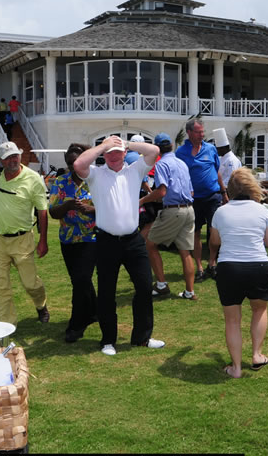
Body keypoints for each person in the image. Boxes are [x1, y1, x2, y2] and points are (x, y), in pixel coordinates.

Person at [73, 135, 164, 356]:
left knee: (144, 287)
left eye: (117, 152)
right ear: (104, 155)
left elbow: (154, 151)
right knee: (107, 292)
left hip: (133, 240)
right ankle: (108, 340)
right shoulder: (96, 174)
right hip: (107, 242)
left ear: (124, 153)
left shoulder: (134, 170)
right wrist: (104, 145)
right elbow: (78, 164)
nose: (113, 156)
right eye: (109, 153)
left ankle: (142, 337)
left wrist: (126, 143)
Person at [209, 168, 268, 379]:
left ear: (229, 190)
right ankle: (257, 355)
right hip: (257, 266)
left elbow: (215, 241)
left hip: (229, 268)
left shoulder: (221, 212)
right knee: (259, 309)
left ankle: (236, 368)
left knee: (232, 320)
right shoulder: (261, 210)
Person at [0, 141, 50, 325]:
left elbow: (42, 211)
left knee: (30, 284)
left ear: (20, 156)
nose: (13, 160)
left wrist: (43, 240)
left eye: (15, 156)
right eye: (8, 158)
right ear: (1, 160)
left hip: (23, 239)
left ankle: (41, 304)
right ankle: (7, 324)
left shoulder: (33, 179)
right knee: (1, 285)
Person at [48, 143, 98, 343]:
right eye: (69, 163)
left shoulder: (96, 179)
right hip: (68, 239)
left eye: (76, 162)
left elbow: (110, 206)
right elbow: (53, 212)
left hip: (91, 238)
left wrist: (91, 209)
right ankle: (94, 311)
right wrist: (67, 205)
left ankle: (76, 325)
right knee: (80, 280)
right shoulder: (61, 182)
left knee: (81, 279)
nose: (73, 166)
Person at [140, 133, 196, 300]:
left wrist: (142, 200)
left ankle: (161, 285)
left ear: (157, 149)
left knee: (150, 244)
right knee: (185, 252)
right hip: (189, 209)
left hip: (173, 210)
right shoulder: (182, 163)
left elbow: (162, 191)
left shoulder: (161, 164)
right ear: (171, 145)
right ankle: (189, 292)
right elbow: (191, 191)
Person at [175, 116, 227, 283]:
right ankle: (199, 268)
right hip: (193, 199)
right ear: (189, 132)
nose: (201, 135)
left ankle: (212, 262)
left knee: (214, 231)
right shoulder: (180, 153)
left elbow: (217, 171)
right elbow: (178, 176)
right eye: (198, 132)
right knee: (195, 233)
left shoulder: (210, 149)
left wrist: (224, 192)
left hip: (212, 196)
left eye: (203, 132)